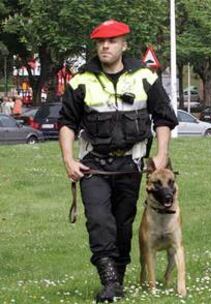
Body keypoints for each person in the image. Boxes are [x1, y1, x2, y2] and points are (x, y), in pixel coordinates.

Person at [58, 20, 178, 302]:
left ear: (124, 44)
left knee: (123, 223)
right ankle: (109, 280)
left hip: (130, 164)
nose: (105, 46)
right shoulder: (80, 80)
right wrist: (68, 159)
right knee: (100, 220)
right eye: (100, 42)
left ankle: (119, 277)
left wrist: (161, 153)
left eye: (112, 41)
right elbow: (66, 123)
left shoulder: (145, 77)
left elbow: (163, 117)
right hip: (93, 165)